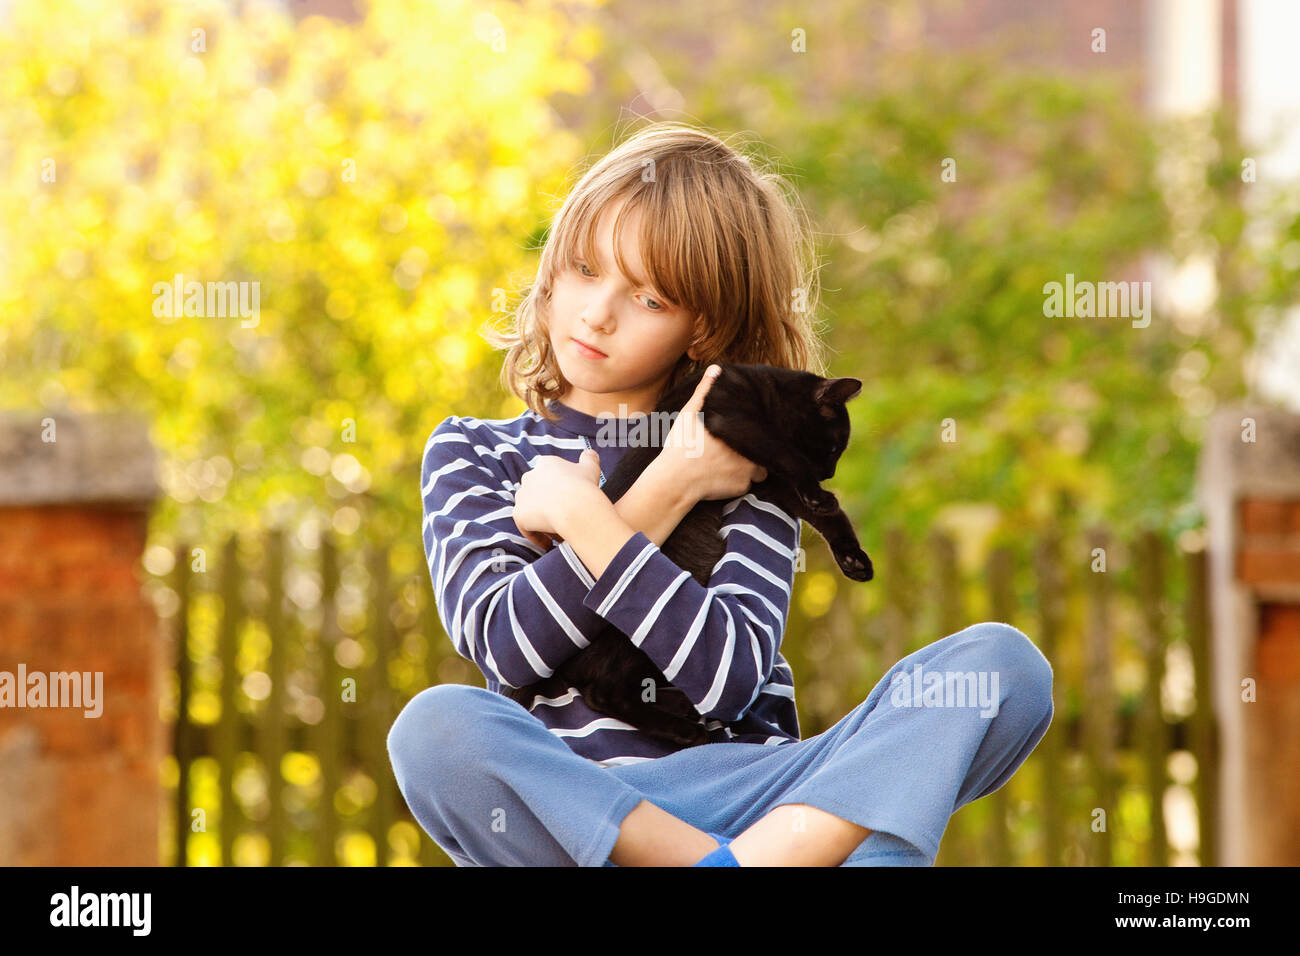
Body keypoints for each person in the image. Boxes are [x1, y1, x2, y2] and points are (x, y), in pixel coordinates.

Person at [386, 121, 1054, 866]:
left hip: (760, 799)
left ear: (701, 330)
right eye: (582, 269)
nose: (597, 312)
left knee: (1003, 668)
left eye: (648, 299)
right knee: (437, 729)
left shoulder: (746, 461)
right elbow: (504, 644)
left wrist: (584, 518)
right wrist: (660, 490)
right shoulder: (477, 452)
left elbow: (727, 680)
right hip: (582, 811)